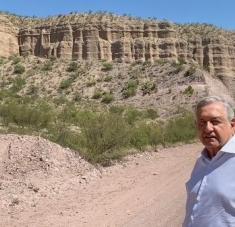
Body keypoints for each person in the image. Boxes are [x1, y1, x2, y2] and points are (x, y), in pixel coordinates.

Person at [183, 96, 235, 227]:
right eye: (202, 123)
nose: (207, 129)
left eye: (215, 121)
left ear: (232, 125)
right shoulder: (202, 161)